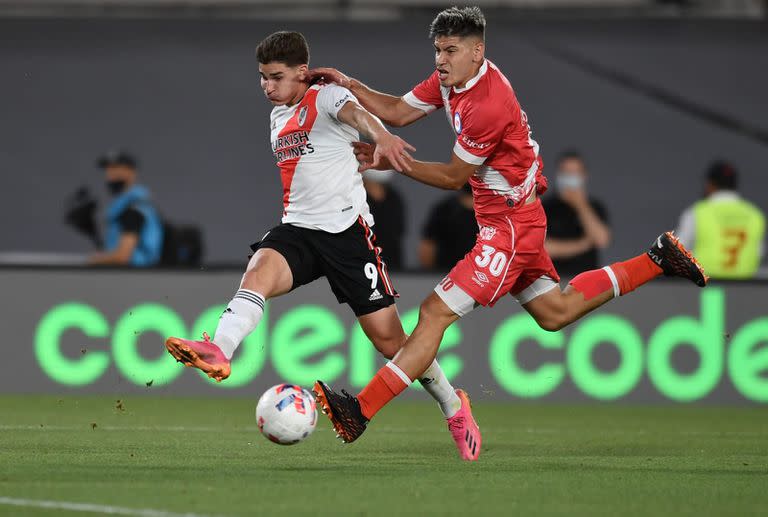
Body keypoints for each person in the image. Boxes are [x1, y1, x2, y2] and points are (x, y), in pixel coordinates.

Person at [309, 6, 708, 459]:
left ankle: (359, 411)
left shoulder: (487, 103)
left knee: (434, 313)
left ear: (478, 51)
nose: (441, 60)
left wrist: (391, 160)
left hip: (510, 228)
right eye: (438, 49)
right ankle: (657, 259)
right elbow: (399, 112)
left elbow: (454, 177)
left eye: (451, 50)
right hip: (516, 219)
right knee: (554, 312)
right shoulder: (453, 80)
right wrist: (351, 85)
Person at [163, 31, 476, 459]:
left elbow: (356, 115)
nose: (267, 86)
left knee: (391, 342)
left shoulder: (325, 96)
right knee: (258, 270)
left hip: (348, 234)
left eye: (276, 77)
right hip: (300, 230)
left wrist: (381, 136)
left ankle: (453, 406)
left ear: (301, 73)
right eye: (262, 77)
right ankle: (221, 348)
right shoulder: (277, 115)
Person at [675, 160, 765, 279]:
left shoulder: (697, 213)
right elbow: (759, 253)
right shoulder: (755, 215)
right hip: (746, 289)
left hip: (705, 289)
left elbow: (677, 252)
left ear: (710, 184)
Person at [88, 150, 164, 267]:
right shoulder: (126, 207)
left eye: (115, 169)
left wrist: (92, 260)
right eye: (108, 170)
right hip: (129, 276)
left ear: (130, 172)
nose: (110, 175)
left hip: (136, 276)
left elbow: (123, 256)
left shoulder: (134, 210)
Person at [543, 150, 611, 276]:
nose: (570, 177)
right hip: (552, 280)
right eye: (566, 172)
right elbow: (544, 248)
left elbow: (601, 239)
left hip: (587, 279)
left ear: (584, 175)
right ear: (559, 174)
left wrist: (580, 204)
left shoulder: (595, 207)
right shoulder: (545, 207)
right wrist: (584, 244)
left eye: (575, 173)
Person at [419, 183, 477, 271]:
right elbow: (427, 245)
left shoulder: (494, 212)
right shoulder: (445, 208)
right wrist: (429, 275)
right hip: (445, 273)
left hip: (483, 276)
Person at [362, 169, 406, 270]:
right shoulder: (356, 199)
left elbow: (398, 233)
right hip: (363, 264)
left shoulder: (395, 199)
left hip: (392, 265)